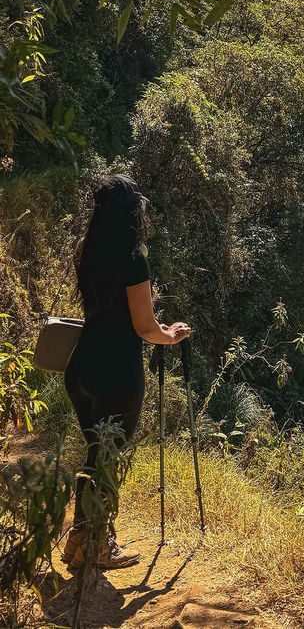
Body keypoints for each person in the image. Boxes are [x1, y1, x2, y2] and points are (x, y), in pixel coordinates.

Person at [62, 174, 191, 570]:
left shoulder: (88, 252)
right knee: (107, 458)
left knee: (95, 454)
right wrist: (172, 335)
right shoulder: (133, 260)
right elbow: (144, 327)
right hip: (116, 374)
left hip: (81, 366)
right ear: (132, 215)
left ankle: (81, 542)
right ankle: (97, 547)